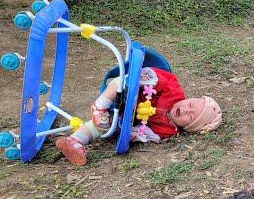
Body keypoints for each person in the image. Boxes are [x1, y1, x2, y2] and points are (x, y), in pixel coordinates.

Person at [55, 67, 222, 166]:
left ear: (188, 127)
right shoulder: (173, 91)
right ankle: (100, 105)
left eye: (190, 116)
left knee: (105, 126)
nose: (186, 110)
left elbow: (149, 133)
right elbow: (158, 76)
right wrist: (142, 84)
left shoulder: (169, 130)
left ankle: (75, 141)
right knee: (122, 82)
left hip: (125, 115)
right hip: (129, 87)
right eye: (190, 104)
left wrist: (136, 134)